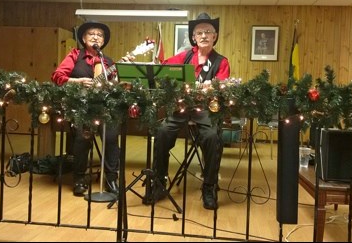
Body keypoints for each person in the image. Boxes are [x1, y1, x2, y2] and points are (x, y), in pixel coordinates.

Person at [147, 13, 230, 209]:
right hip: (181, 107)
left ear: (214, 36)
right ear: (193, 37)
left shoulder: (221, 61)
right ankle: (159, 182)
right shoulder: (184, 56)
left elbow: (222, 86)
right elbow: (163, 69)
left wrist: (209, 88)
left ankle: (209, 186)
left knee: (211, 137)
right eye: (199, 32)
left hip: (206, 109)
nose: (203, 36)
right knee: (162, 132)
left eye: (208, 32)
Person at [51, 21, 132, 197]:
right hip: (81, 107)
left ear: (103, 41)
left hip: (103, 108)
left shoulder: (107, 61)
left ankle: (111, 178)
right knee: (82, 138)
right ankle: (79, 178)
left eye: (100, 34)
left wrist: (119, 72)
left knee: (111, 137)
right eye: (91, 33)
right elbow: (57, 77)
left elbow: (112, 86)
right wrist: (77, 81)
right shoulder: (74, 55)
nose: (96, 36)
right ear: (83, 38)